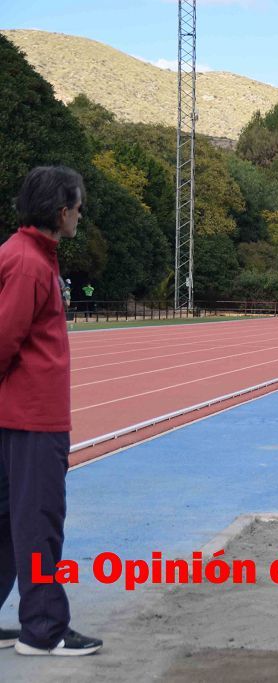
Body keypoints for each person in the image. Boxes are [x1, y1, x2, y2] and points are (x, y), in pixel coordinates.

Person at [0, 166, 103, 655]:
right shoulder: (28, 264)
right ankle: (43, 631)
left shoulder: (28, 256)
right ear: (61, 212)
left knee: (7, 523)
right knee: (38, 521)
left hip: (17, 417)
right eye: (78, 208)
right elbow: (4, 340)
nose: (80, 217)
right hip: (32, 420)